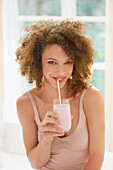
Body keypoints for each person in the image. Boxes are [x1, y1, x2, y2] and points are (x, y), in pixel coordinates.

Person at [15, 19, 105, 170]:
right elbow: (36, 163)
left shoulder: (91, 97)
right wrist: (46, 139)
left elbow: (97, 158)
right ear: (38, 62)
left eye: (68, 62)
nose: (61, 72)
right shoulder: (25, 103)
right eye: (52, 62)